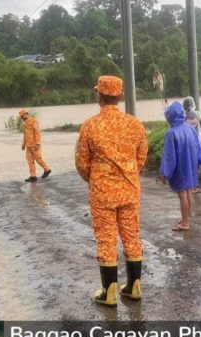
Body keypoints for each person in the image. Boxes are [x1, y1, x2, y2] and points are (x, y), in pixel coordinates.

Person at [75, 75, 148, 306]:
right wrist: (128, 176)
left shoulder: (90, 126)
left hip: (102, 193)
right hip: (129, 190)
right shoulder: (134, 124)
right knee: (131, 235)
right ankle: (134, 286)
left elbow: (81, 161)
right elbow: (141, 157)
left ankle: (109, 292)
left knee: (106, 239)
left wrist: (95, 178)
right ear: (120, 96)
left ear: (99, 96)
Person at [160, 101, 201, 231]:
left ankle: (185, 222)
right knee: (188, 192)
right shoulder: (190, 128)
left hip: (179, 169)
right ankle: (185, 218)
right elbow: (199, 147)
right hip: (191, 166)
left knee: (182, 194)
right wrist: (200, 162)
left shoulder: (172, 133)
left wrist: (165, 173)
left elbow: (169, 156)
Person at [183, 96, 201, 194]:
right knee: (197, 165)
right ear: (193, 104)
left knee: (189, 164)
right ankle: (194, 186)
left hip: (186, 144)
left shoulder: (183, 116)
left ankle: (190, 185)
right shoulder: (198, 114)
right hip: (197, 143)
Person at [19, 109, 51, 182]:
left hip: (34, 145)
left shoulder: (34, 121)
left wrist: (37, 143)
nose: (24, 116)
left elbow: (37, 132)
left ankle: (47, 169)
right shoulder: (24, 124)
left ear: (26, 114)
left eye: (25, 114)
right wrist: (23, 145)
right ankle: (33, 176)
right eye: (22, 116)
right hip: (28, 146)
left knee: (38, 159)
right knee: (30, 161)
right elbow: (25, 135)